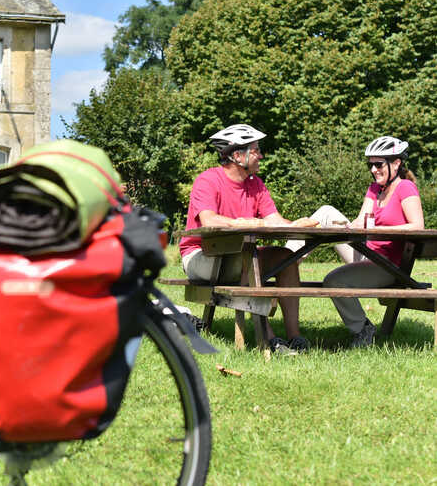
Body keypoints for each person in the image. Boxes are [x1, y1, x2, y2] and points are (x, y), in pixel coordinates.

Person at [179, 124, 317, 354]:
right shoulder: (207, 180)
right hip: (200, 256)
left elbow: (273, 219)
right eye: (256, 150)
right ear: (237, 155)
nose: (261, 155)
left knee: (286, 257)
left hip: (240, 255)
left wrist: (294, 225)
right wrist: (246, 223)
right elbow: (209, 220)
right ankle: (270, 340)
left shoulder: (256, 184)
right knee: (249, 262)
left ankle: (295, 336)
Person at [285, 136, 424, 348]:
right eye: (371, 165)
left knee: (333, 281)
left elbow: (417, 226)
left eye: (379, 164)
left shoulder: (405, 187)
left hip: (388, 266)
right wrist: (348, 227)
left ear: (396, 163)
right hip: (366, 252)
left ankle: (363, 329)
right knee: (326, 211)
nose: (373, 170)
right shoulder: (375, 189)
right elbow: (362, 220)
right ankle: (284, 267)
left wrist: (378, 230)